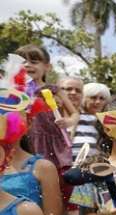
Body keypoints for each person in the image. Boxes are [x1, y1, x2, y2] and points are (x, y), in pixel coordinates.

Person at [16, 45, 79, 204]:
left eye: (34, 61)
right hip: (28, 144)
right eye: (23, 61)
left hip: (54, 144)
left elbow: (75, 113)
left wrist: (68, 122)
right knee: (32, 182)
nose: (27, 65)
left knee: (60, 184)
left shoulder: (54, 90)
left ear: (47, 67)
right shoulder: (15, 92)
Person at [72, 82, 110, 160]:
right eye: (93, 97)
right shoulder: (75, 117)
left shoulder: (107, 121)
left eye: (102, 98)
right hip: (70, 163)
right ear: (83, 98)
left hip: (97, 165)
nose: (97, 102)